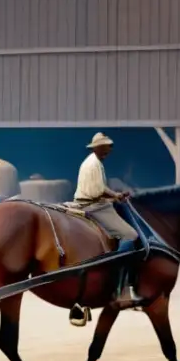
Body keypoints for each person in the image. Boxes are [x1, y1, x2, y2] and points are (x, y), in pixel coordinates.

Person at [74, 132, 140, 307]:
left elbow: (101, 188)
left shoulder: (93, 162)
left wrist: (116, 196)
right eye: (105, 147)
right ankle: (120, 284)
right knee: (130, 235)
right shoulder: (94, 164)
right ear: (97, 147)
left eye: (109, 147)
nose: (108, 151)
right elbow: (97, 192)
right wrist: (115, 195)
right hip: (93, 206)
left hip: (93, 201)